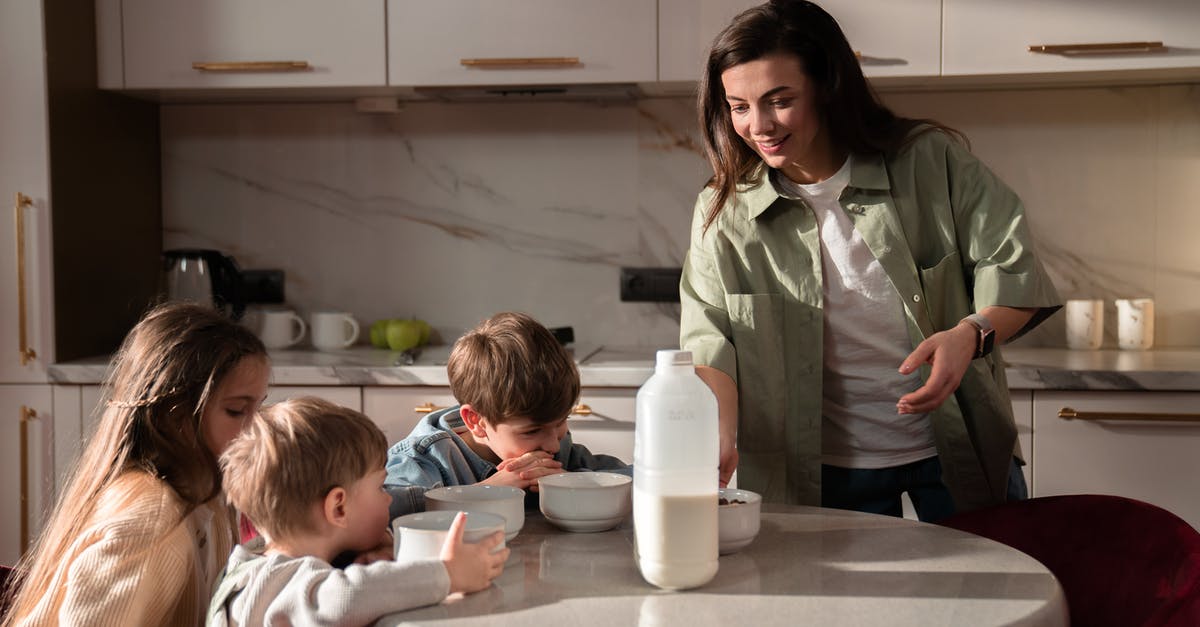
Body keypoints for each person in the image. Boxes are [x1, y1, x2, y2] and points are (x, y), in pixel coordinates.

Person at [680, 0, 1061, 521]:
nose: (759, 125)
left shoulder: (929, 161)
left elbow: (1013, 267)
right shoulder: (722, 210)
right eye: (739, 106)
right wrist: (720, 433)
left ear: (828, 86)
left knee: (986, 595)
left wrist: (970, 333)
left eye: (779, 100)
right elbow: (709, 339)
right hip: (817, 471)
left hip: (956, 448)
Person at [2, 303, 270, 625]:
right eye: (237, 411)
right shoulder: (150, 522)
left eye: (259, 408)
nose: (258, 428)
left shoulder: (208, 492)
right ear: (176, 416)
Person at [208, 397, 508, 625]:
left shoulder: (263, 565)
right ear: (338, 507)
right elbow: (346, 596)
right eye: (380, 487)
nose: (389, 499)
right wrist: (449, 574)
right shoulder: (271, 584)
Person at [384, 312, 630, 518]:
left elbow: (641, 480)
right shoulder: (426, 459)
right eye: (532, 431)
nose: (554, 442)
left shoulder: (555, 446)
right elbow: (380, 510)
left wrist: (574, 483)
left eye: (562, 421)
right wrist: (485, 491)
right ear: (476, 421)